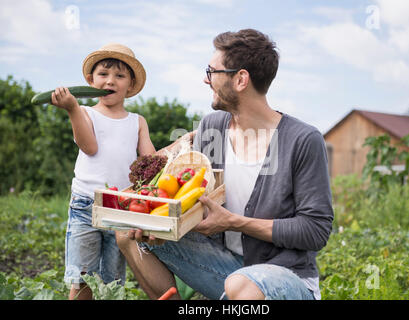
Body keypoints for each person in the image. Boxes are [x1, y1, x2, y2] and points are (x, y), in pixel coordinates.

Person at [117, 29, 334, 300]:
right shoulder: (212, 128)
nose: (205, 80)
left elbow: (315, 231)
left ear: (241, 79)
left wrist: (234, 222)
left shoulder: (303, 140)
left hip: (285, 278)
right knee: (128, 231)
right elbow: (181, 184)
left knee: (241, 285)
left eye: (212, 71)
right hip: (224, 268)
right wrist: (157, 224)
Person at [51, 43, 191, 300]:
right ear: (92, 80)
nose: (110, 81)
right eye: (103, 74)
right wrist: (72, 109)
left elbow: (151, 162)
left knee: (112, 283)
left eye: (119, 76)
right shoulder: (85, 113)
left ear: (130, 85)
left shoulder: (137, 122)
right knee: (82, 280)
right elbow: (89, 147)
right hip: (86, 206)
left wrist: (179, 144)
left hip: (120, 209)